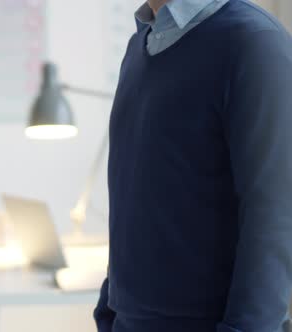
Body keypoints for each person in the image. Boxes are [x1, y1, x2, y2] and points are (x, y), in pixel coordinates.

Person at [95, 0, 292, 331]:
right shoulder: (140, 42)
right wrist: (109, 308)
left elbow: (277, 216)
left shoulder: (254, 41)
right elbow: (134, 196)